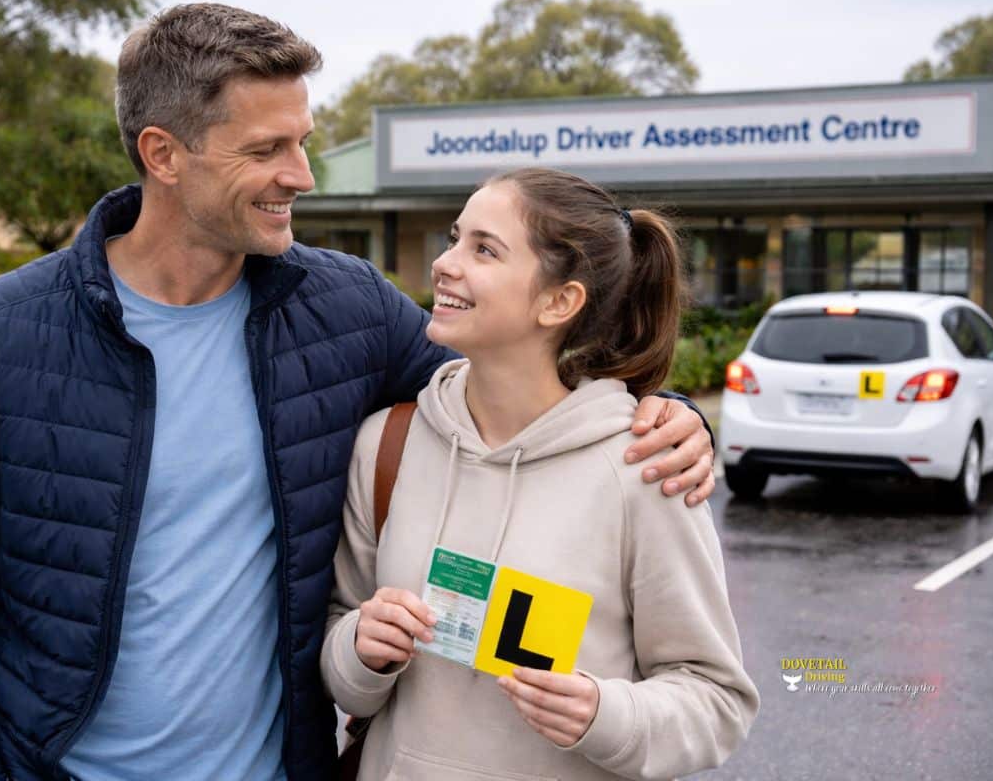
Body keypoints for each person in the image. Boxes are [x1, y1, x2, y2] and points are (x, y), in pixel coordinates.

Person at [0, 4, 717, 781]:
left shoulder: (346, 309)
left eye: (303, 141)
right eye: (266, 150)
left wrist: (663, 415)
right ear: (163, 154)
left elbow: (518, 390)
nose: (301, 174)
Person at [322, 168, 759, 780]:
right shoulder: (387, 445)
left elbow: (716, 700)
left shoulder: (646, 469)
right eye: (455, 238)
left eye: (484, 250)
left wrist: (606, 716)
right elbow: (342, 659)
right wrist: (360, 651)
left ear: (559, 302)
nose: (445, 264)